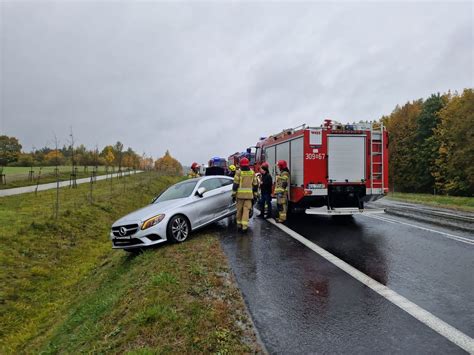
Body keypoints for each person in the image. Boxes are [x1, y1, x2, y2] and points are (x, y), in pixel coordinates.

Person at [232, 157, 258, 232]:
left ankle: (239, 225)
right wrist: (255, 194)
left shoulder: (238, 172)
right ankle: (245, 227)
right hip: (249, 196)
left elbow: (235, 184)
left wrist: (233, 195)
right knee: (246, 210)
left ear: (241, 165)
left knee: (239, 210)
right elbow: (255, 184)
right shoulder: (252, 172)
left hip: (240, 196)